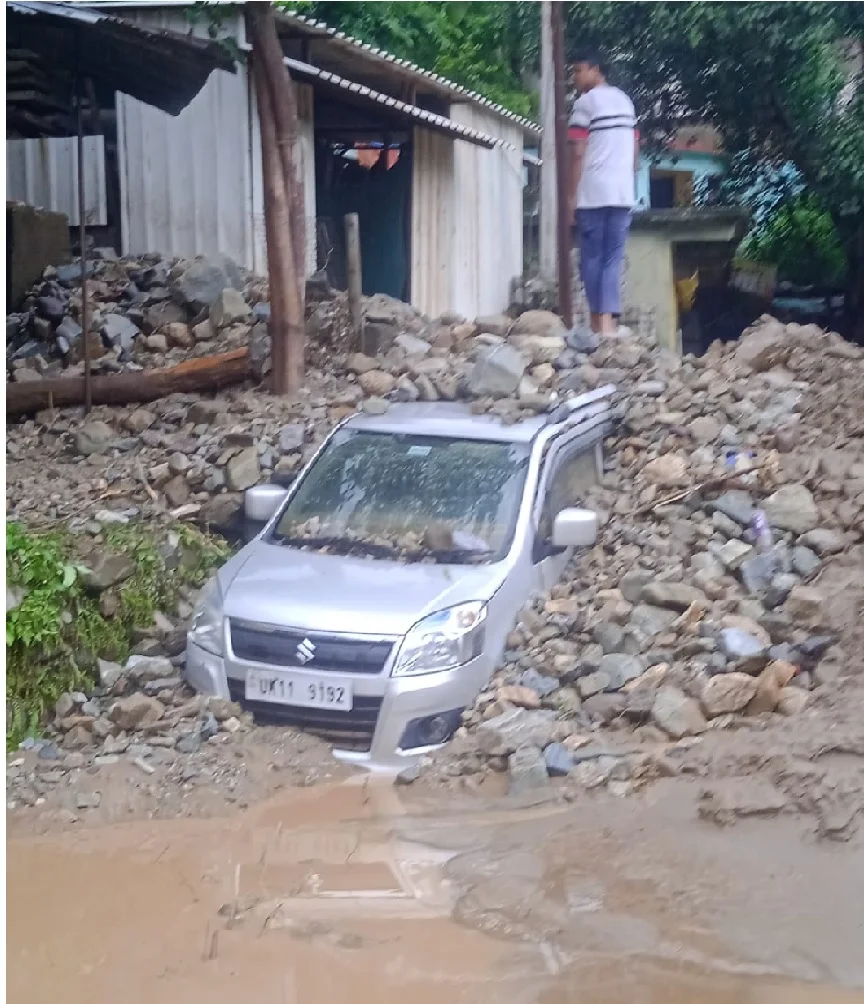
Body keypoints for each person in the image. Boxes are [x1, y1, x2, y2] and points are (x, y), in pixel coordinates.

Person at [568, 48, 639, 334]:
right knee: (612, 259)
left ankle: (601, 325)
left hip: (594, 193)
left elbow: (577, 152)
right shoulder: (625, 101)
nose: (575, 77)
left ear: (595, 70)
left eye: (578, 70)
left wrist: (571, 196)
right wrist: (627, 180)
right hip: (622, 194)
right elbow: (634, 150)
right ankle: (607, 324)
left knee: (592, 258)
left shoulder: (585, 104)